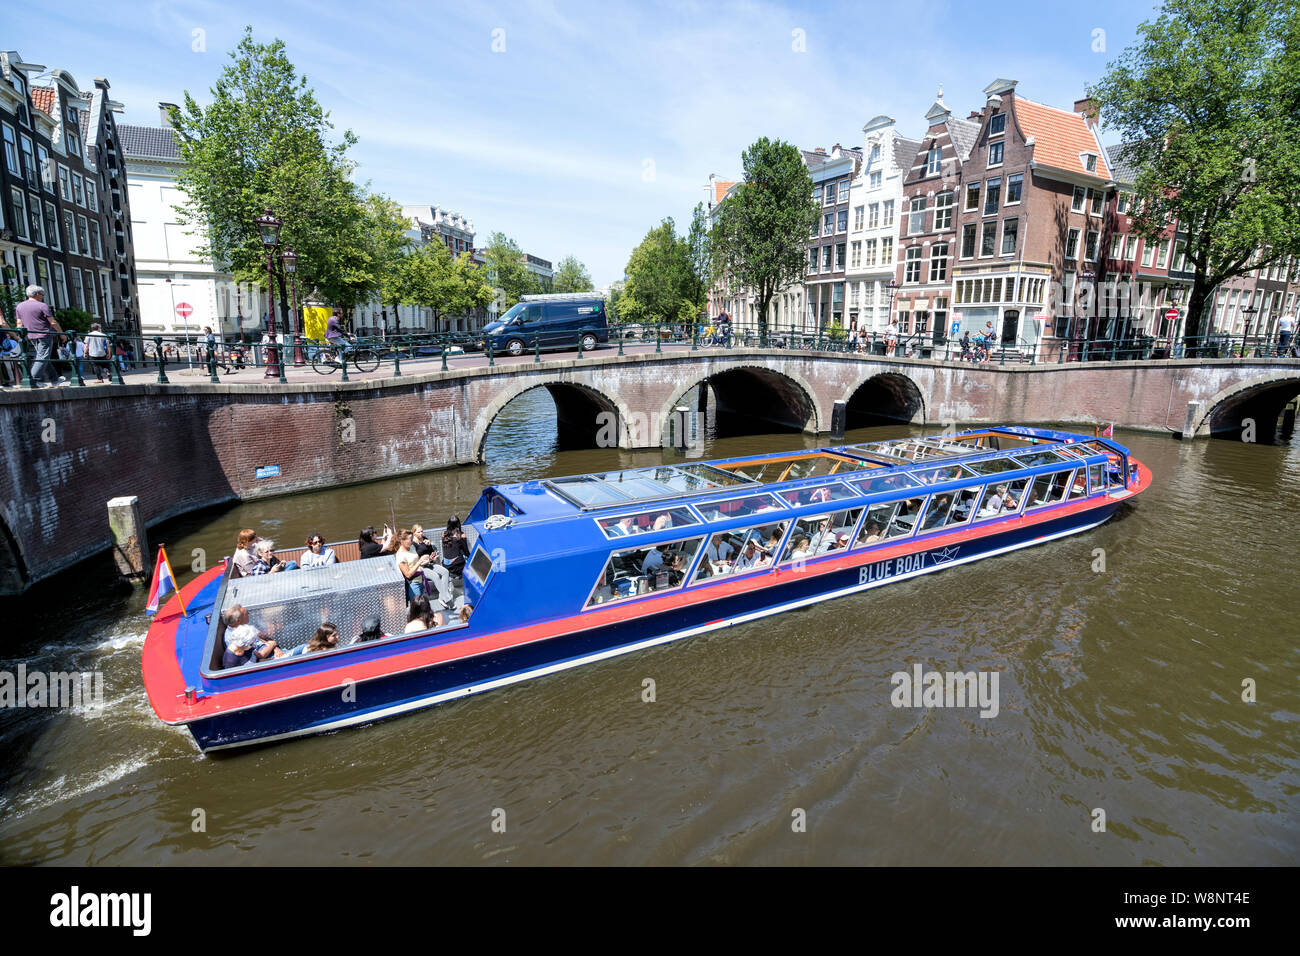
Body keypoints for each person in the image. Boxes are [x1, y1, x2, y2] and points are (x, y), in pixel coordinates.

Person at [16, 285, 68, 387]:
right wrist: (62, 334)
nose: (42, 296)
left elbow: (19, 324)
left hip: (31, 336)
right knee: (43, 357)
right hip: (45, 335)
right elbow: (53, 322)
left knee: (43, 357)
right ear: (37, 294)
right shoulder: (42, 305)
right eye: (42, 294)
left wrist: (20, 337)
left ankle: (55, 379)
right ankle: (33, 380)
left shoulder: (19, 306)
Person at [395, 529, 435, 600]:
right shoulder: (401, 556)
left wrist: (429, 559)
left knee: (422, 605)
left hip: (420, 579)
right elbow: (408, 574)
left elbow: (416, 562)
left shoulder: (412, 547)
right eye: (410, 539)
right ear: (402, 541)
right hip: (413, 584)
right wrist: (419, 561)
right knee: (417, 607)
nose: (412, 541)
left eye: (412, 538)